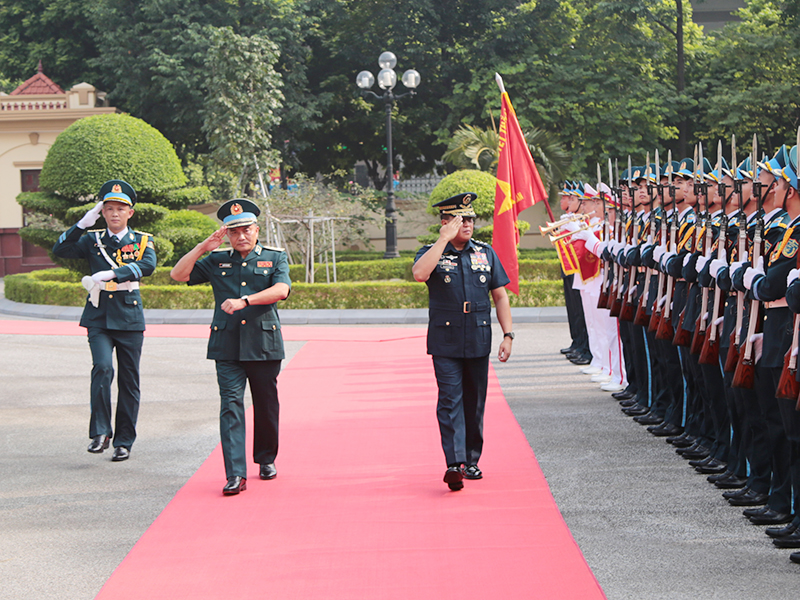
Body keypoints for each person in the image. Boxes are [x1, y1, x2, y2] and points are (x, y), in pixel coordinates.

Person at [170, 199, 291, 496]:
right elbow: (178, 275)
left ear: (256, 229)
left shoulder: (275, 258)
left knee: (265, 406)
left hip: (263, 344)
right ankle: (235, 473)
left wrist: (245, 301)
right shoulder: (216, 260)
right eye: (234, 231)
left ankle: (265, 459)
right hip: (226, 345)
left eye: (246, 229)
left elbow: (282, 290)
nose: (241, 236)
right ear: (227, 234)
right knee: (230, 407)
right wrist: (202, 248)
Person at [412, 192, 514, 491]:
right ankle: (453, 464)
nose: (467, 224)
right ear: (445, 223)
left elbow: (500, 295)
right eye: (460, 219)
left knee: (474, 402)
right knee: (449, 400)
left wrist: (508, 334)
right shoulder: (431, 252)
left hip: (478, 337)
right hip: (446, 339)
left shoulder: (485, 253)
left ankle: (471, 459)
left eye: (470, 219)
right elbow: (419, 274)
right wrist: (443, 241)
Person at [52, 180, 157, 461]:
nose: (114, 214)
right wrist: (83, 223)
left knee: (129, 380)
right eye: (108, 209)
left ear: (130, 213)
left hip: (129, 316)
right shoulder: (91, 238)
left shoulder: (142, 241)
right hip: (98, 315)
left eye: (120, 209)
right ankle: (100, 432)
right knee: (102, 368)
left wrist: (114, 274)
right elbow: (60, 250)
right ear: (102, 211)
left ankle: (124, 441)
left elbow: (148, 266)